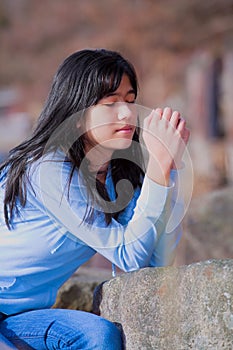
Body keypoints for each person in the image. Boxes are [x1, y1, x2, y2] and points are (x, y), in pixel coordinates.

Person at [0, 48, 190, 349]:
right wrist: (157, 169)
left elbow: (152, 262)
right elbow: (127, 255)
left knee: (99, 337)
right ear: (76, 115)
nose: (127, 113)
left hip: (19, 317)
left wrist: (168, 171)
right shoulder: (47, 169)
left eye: (129, 100)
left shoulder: (118, 177)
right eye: (110, 103)